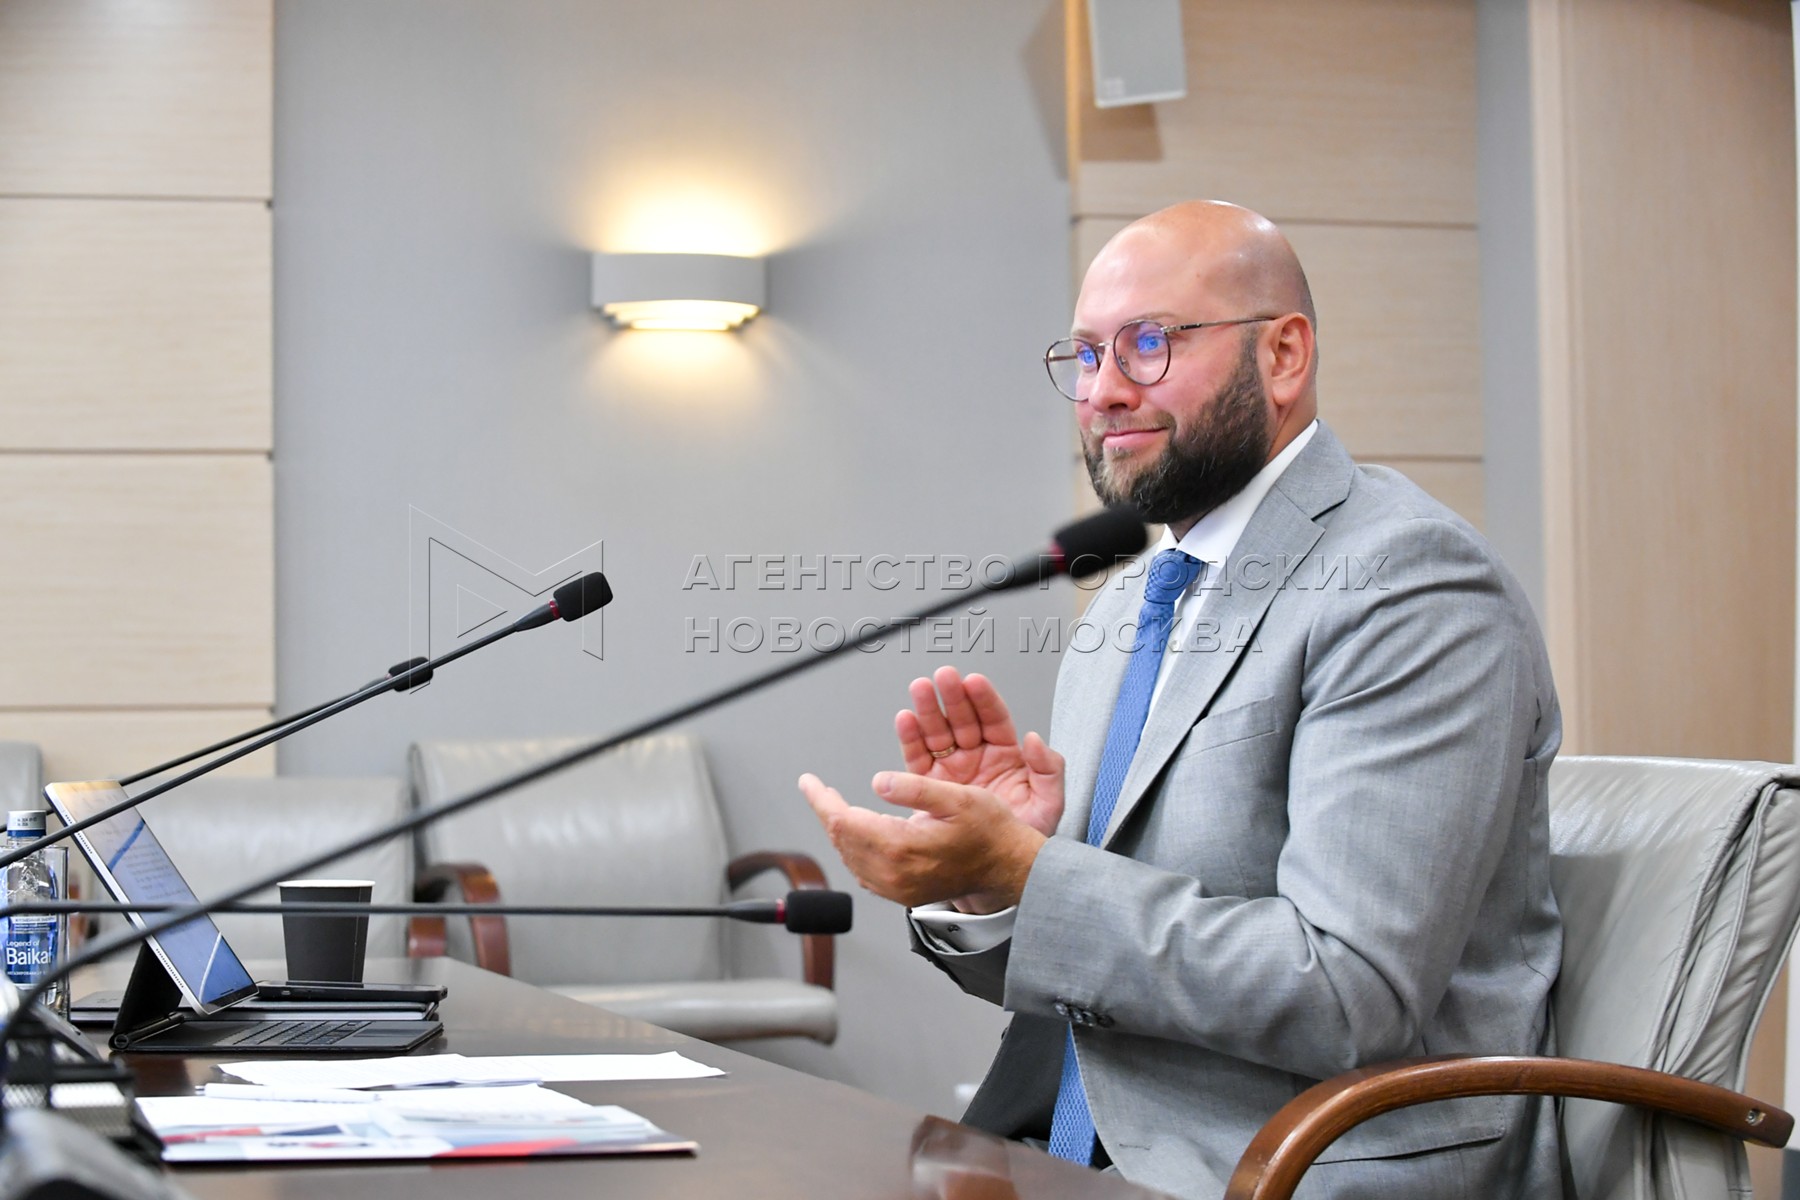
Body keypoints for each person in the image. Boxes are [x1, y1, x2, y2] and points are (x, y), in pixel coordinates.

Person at [798, 200, 1563, 1199]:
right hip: (1066, 1148)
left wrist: (1036, 873)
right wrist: (991, 884)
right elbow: (1079, 970)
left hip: (1291, 1167)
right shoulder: (1130, 602)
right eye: (1085, 355)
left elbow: (1350, 995)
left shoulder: (1409, 583)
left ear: (1283, 355)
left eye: (1148, 344)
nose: (1103, 390)